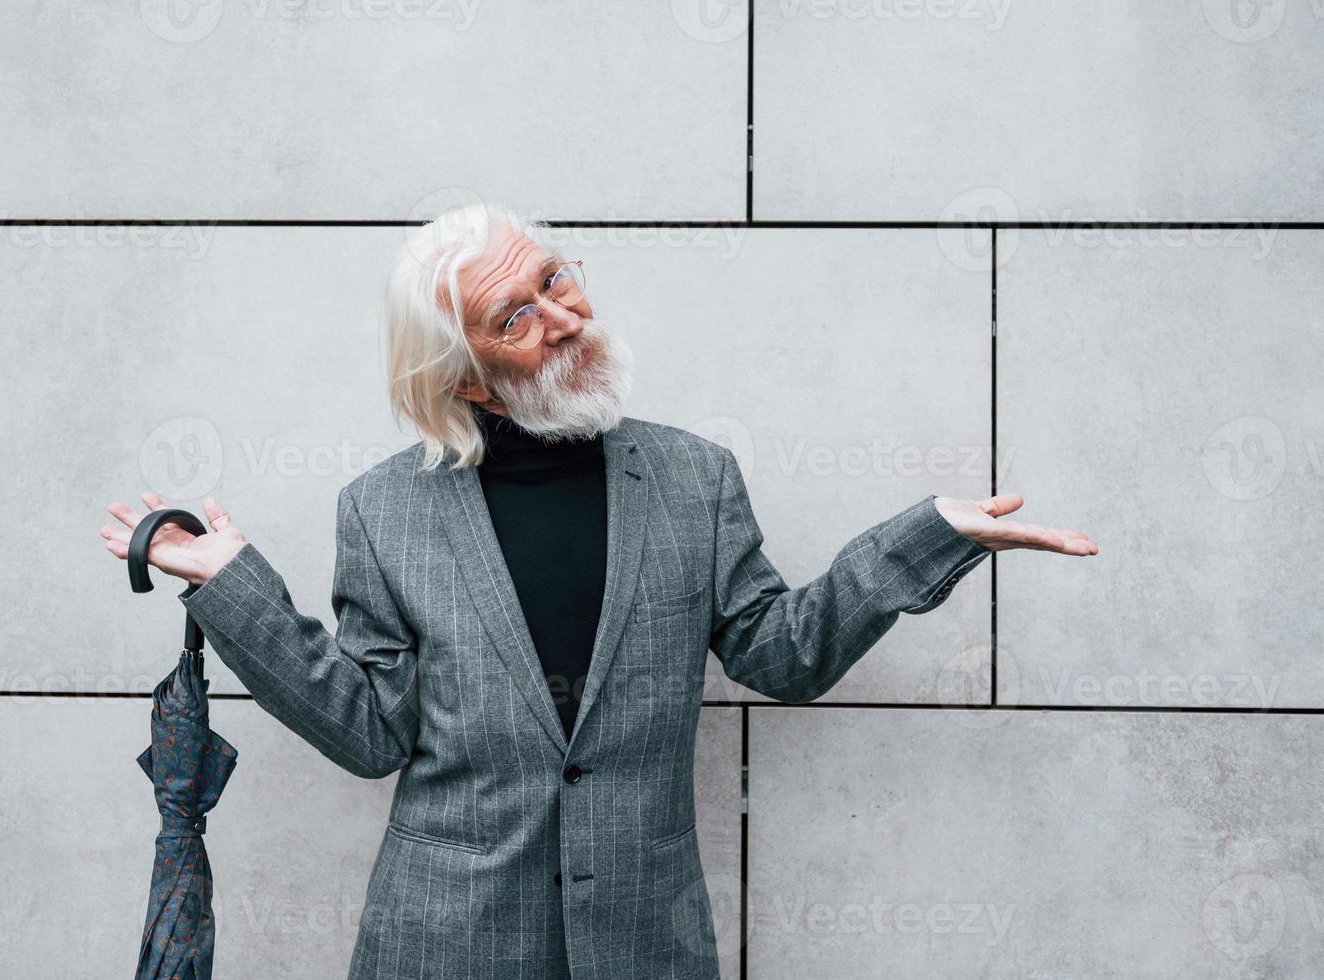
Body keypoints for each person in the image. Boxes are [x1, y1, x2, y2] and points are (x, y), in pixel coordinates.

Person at [100, 202, 1097, 980]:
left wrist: (925, 538)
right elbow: (369, 731)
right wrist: (232, 586)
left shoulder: (692, 479)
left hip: (643, 942)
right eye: (518, 315)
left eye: (555, 278)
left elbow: (780, 653)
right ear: (467, 377)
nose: (566, 317)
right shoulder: (383, 511)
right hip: (445, 944)